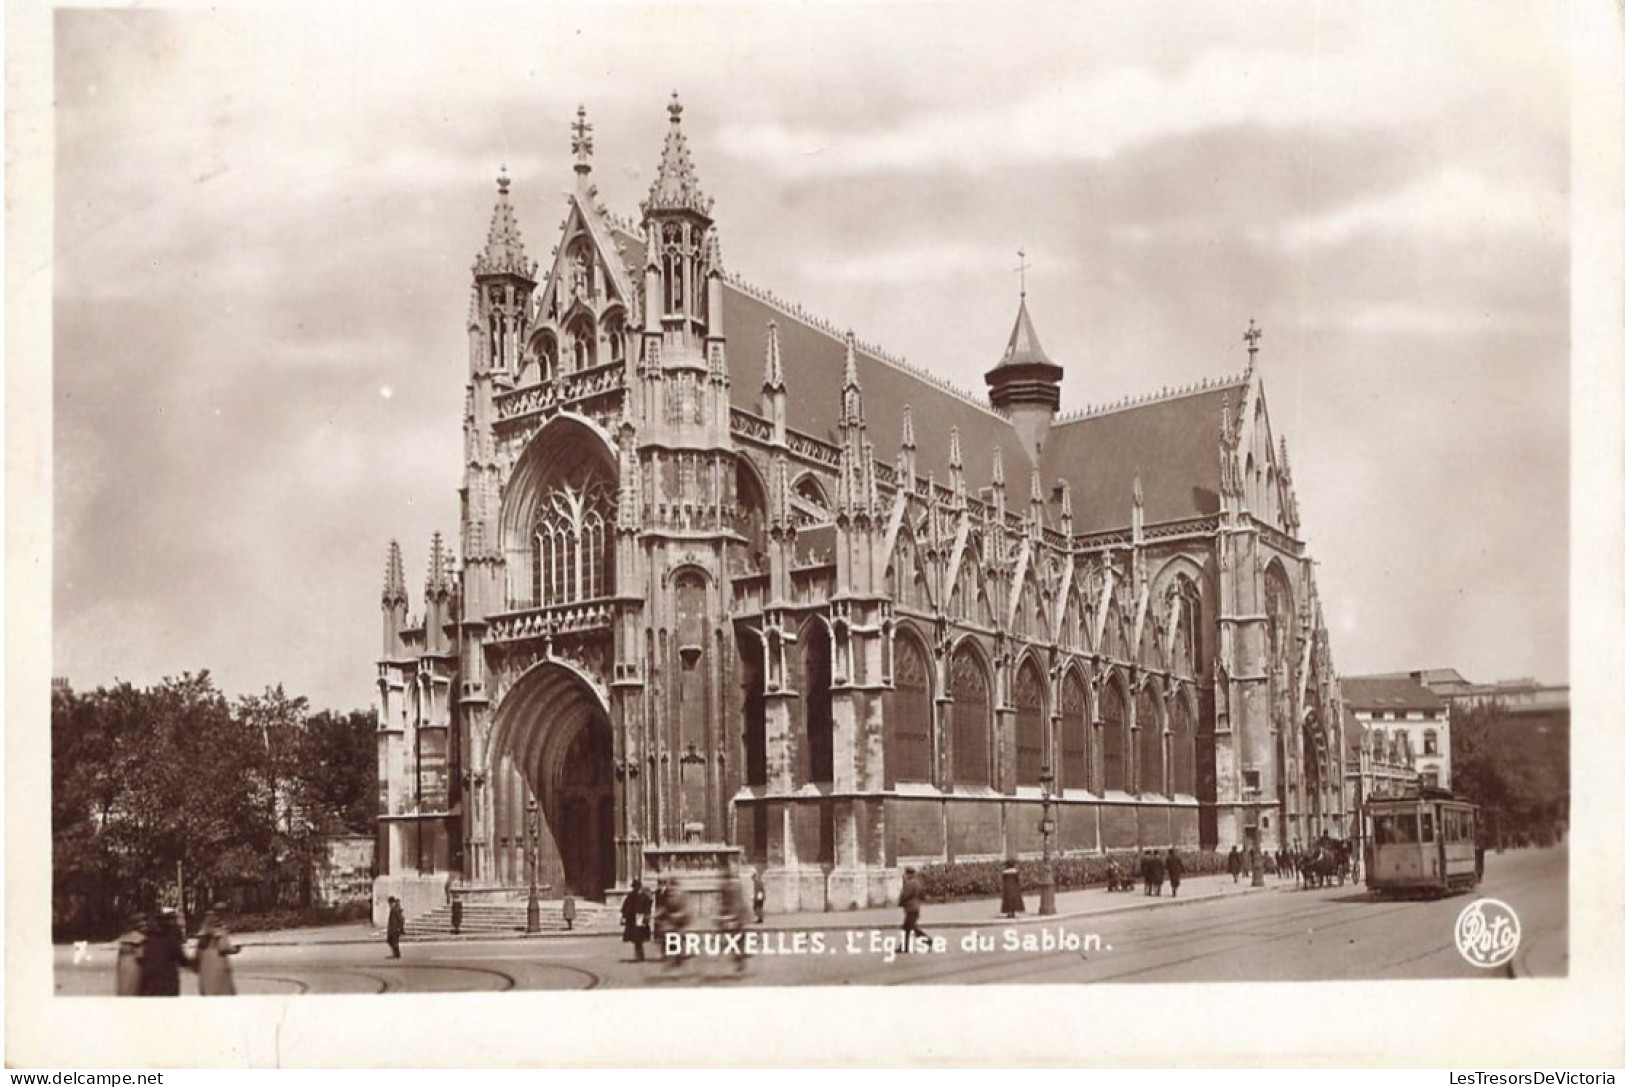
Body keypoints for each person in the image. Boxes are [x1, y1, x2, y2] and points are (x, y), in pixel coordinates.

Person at [141, 908, 192, 996]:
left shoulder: (148, 936)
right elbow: (180, 957)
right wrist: (192, 964)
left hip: (149, 978)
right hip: (167, 978)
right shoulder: (170, 937)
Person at [195, 903, 240, 996]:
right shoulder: (220, 928)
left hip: (205, 963)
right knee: (222, 993)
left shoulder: (204, 929)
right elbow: (223, 947)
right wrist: (235, 949)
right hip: (218, 962)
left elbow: (199, 947)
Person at [657, 879, 693, 974]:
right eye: (671, 887)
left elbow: (687, 909)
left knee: (678, 940)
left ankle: (678, 961)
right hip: (670, 923)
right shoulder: (668, 896)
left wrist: (679, 915)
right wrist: (660, 914)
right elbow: (664, 908)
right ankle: (671, 961)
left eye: (673, 887)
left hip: (680, 922)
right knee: (666, 939)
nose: (672, 889)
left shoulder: (682, 896)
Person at [114, 911, 148, 997]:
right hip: (134, 968)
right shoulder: (140, 939)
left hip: (123, 966)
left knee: (124, 989)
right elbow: (141, 956)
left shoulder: (125, 938)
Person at [620, 879, 653, 962]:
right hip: (632, 920)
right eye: (634, 887)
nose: (635, 889)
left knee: (639, 938)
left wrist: (646, 918)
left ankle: (640, 955)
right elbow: (625, 907)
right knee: (636, 939)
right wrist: (624, 916)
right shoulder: (630, 896)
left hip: (640, 919)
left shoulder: (644, 897)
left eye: (636, 887)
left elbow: (647, 908)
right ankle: (638, 955)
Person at [898, 866, 930, 952]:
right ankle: (904, 947)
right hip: (916, 907)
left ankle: (928, 941)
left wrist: (900, 903)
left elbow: (905, 895)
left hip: (910, 908)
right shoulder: (918, 883)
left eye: (906, 873)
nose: (905, 875)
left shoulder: (909, 883)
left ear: (909, 874)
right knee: (909, 928)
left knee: (908, 928)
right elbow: (923, 896)